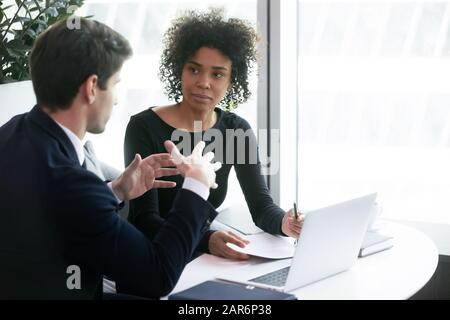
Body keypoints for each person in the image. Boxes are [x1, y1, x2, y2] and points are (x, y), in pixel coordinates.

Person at [0, 17, 220, 299]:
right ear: (92, 87)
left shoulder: (14, 131)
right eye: (115, 84)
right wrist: (197, 184)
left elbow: (56, 214)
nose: (116, 99)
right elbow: (157, 275)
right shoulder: (73, 184)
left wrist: (115, 190)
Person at [124, 9, 303, 261]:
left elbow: (262, 208)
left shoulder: (236, 129)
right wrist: (207, 240)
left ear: (232, 80)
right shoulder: (144, 126)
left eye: (217, 74)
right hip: (153, 256)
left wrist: (286, 223)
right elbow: (144, 219)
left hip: (201, 255)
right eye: (194, 70)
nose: (204, 82)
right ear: (180, 69)